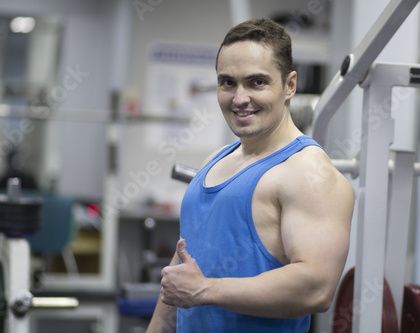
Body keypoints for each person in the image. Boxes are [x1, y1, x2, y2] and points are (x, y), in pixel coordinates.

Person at [146, 17, 354, 333]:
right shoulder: (214, 161)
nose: (239, 98)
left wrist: (205, 290)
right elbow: (184, 274)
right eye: (228, 82)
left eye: (257, 82)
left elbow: (316, 287)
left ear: (290, 85)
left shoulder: (309, 173)